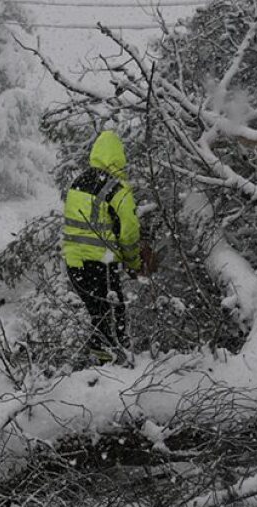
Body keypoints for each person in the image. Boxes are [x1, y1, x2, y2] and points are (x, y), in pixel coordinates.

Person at [62, 130, 145, 365]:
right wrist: (133, 262)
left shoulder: (77, 183)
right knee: (114, 317)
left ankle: (99, 364)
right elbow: (129, 230)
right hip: (99, 265)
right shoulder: (116, 189)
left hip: (74, 264)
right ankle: (114, 367)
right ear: (118, 158)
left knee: (99, 316)